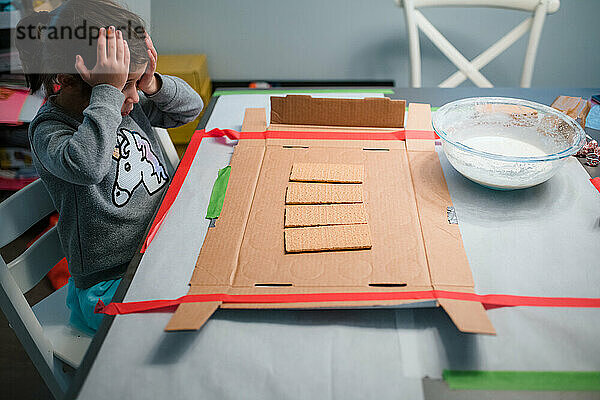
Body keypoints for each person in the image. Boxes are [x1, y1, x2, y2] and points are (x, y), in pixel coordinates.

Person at [15, 0, 203, 333]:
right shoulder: (50, 129)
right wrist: (109, 94)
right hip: (108, 284)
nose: (130, 98)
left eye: (134, 83)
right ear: (69, 79)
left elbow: (190, 109)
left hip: (158, 251)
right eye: (122, 85)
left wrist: (149, 83)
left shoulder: (126, 101)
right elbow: (89, 166)